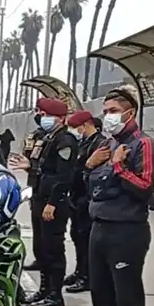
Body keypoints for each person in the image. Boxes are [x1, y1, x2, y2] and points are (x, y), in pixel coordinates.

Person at [72, 86, 154, 306]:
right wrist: (89, 166)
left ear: (129, 113)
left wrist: (118, 167)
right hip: (100, 224)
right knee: (101, 292)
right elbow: (93, 185)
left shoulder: (144, 145)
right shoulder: (108, 144)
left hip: (127, 229)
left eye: (113, 111)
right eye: (105, 111)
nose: (107, 116)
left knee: (127, 297)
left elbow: (144, 187)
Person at [23, 98, 78, 306]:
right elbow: (43, 170)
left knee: (53, 248)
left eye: (46, 115)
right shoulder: (48, 138)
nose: (42, 118)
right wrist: (29, 167)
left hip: (53, 203)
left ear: (61, 119)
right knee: (41, 247)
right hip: (40, 199)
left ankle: (55, 294)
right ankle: (44, 290)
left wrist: (53, 202)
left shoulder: (65, 141)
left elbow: (64, 177)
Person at [64, 111, 103, 294]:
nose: (74, 131)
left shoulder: (99, 144)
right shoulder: (84, 143)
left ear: (86, 124)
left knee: (86, 239)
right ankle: (80, 271)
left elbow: (95, 172)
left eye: (76, 127)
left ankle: (87, 276)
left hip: (87, 198)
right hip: (76, 197)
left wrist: (85, 166)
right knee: (77, 236)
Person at [21, 116, 47, 271]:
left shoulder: (61, 139)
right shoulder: (35, 135)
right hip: (35, 184)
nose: (40, 116)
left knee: (48, 234)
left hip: (48, 189)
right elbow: (28, 154)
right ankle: (39, 259)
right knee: (37, 228)